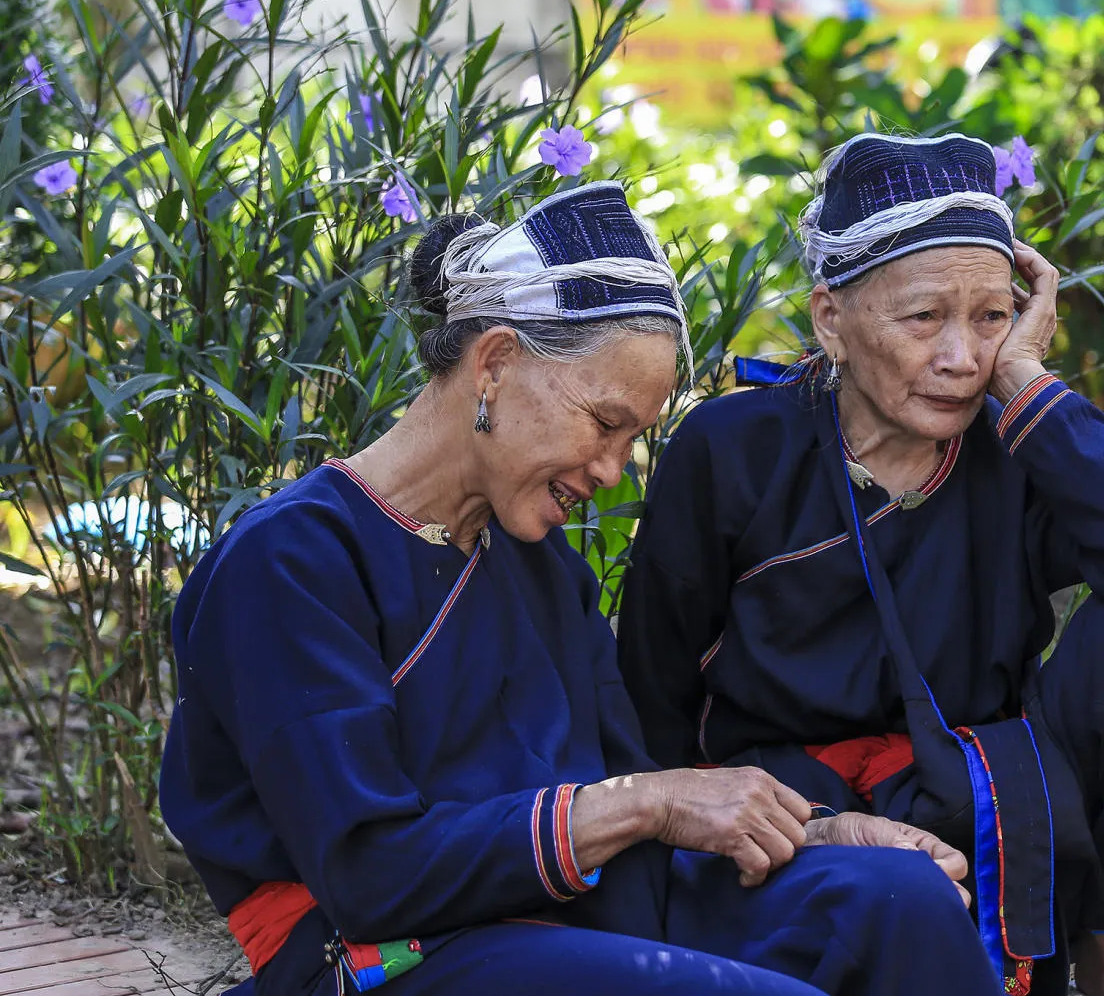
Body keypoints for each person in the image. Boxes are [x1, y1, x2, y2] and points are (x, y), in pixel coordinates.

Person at [158, 182, 1004, 996]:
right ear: (494, 363)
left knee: (903, 901)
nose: (611, 470)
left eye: (633, 438)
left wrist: (811, 831)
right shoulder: (288, 562)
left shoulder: (539, 561)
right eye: (605, 423)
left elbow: (634, 795)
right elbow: (372, 873)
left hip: (578, 912)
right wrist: (642, 802)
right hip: (395, 954)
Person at [616, 134, 1104, 996]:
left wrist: (1025, 382)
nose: (961, 358)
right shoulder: (733, 450)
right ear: (830, 317)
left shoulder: (1016, 438)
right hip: (796, 809)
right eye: (924, 318)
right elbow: (652, 694)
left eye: (991, 317)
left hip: (981, 784)